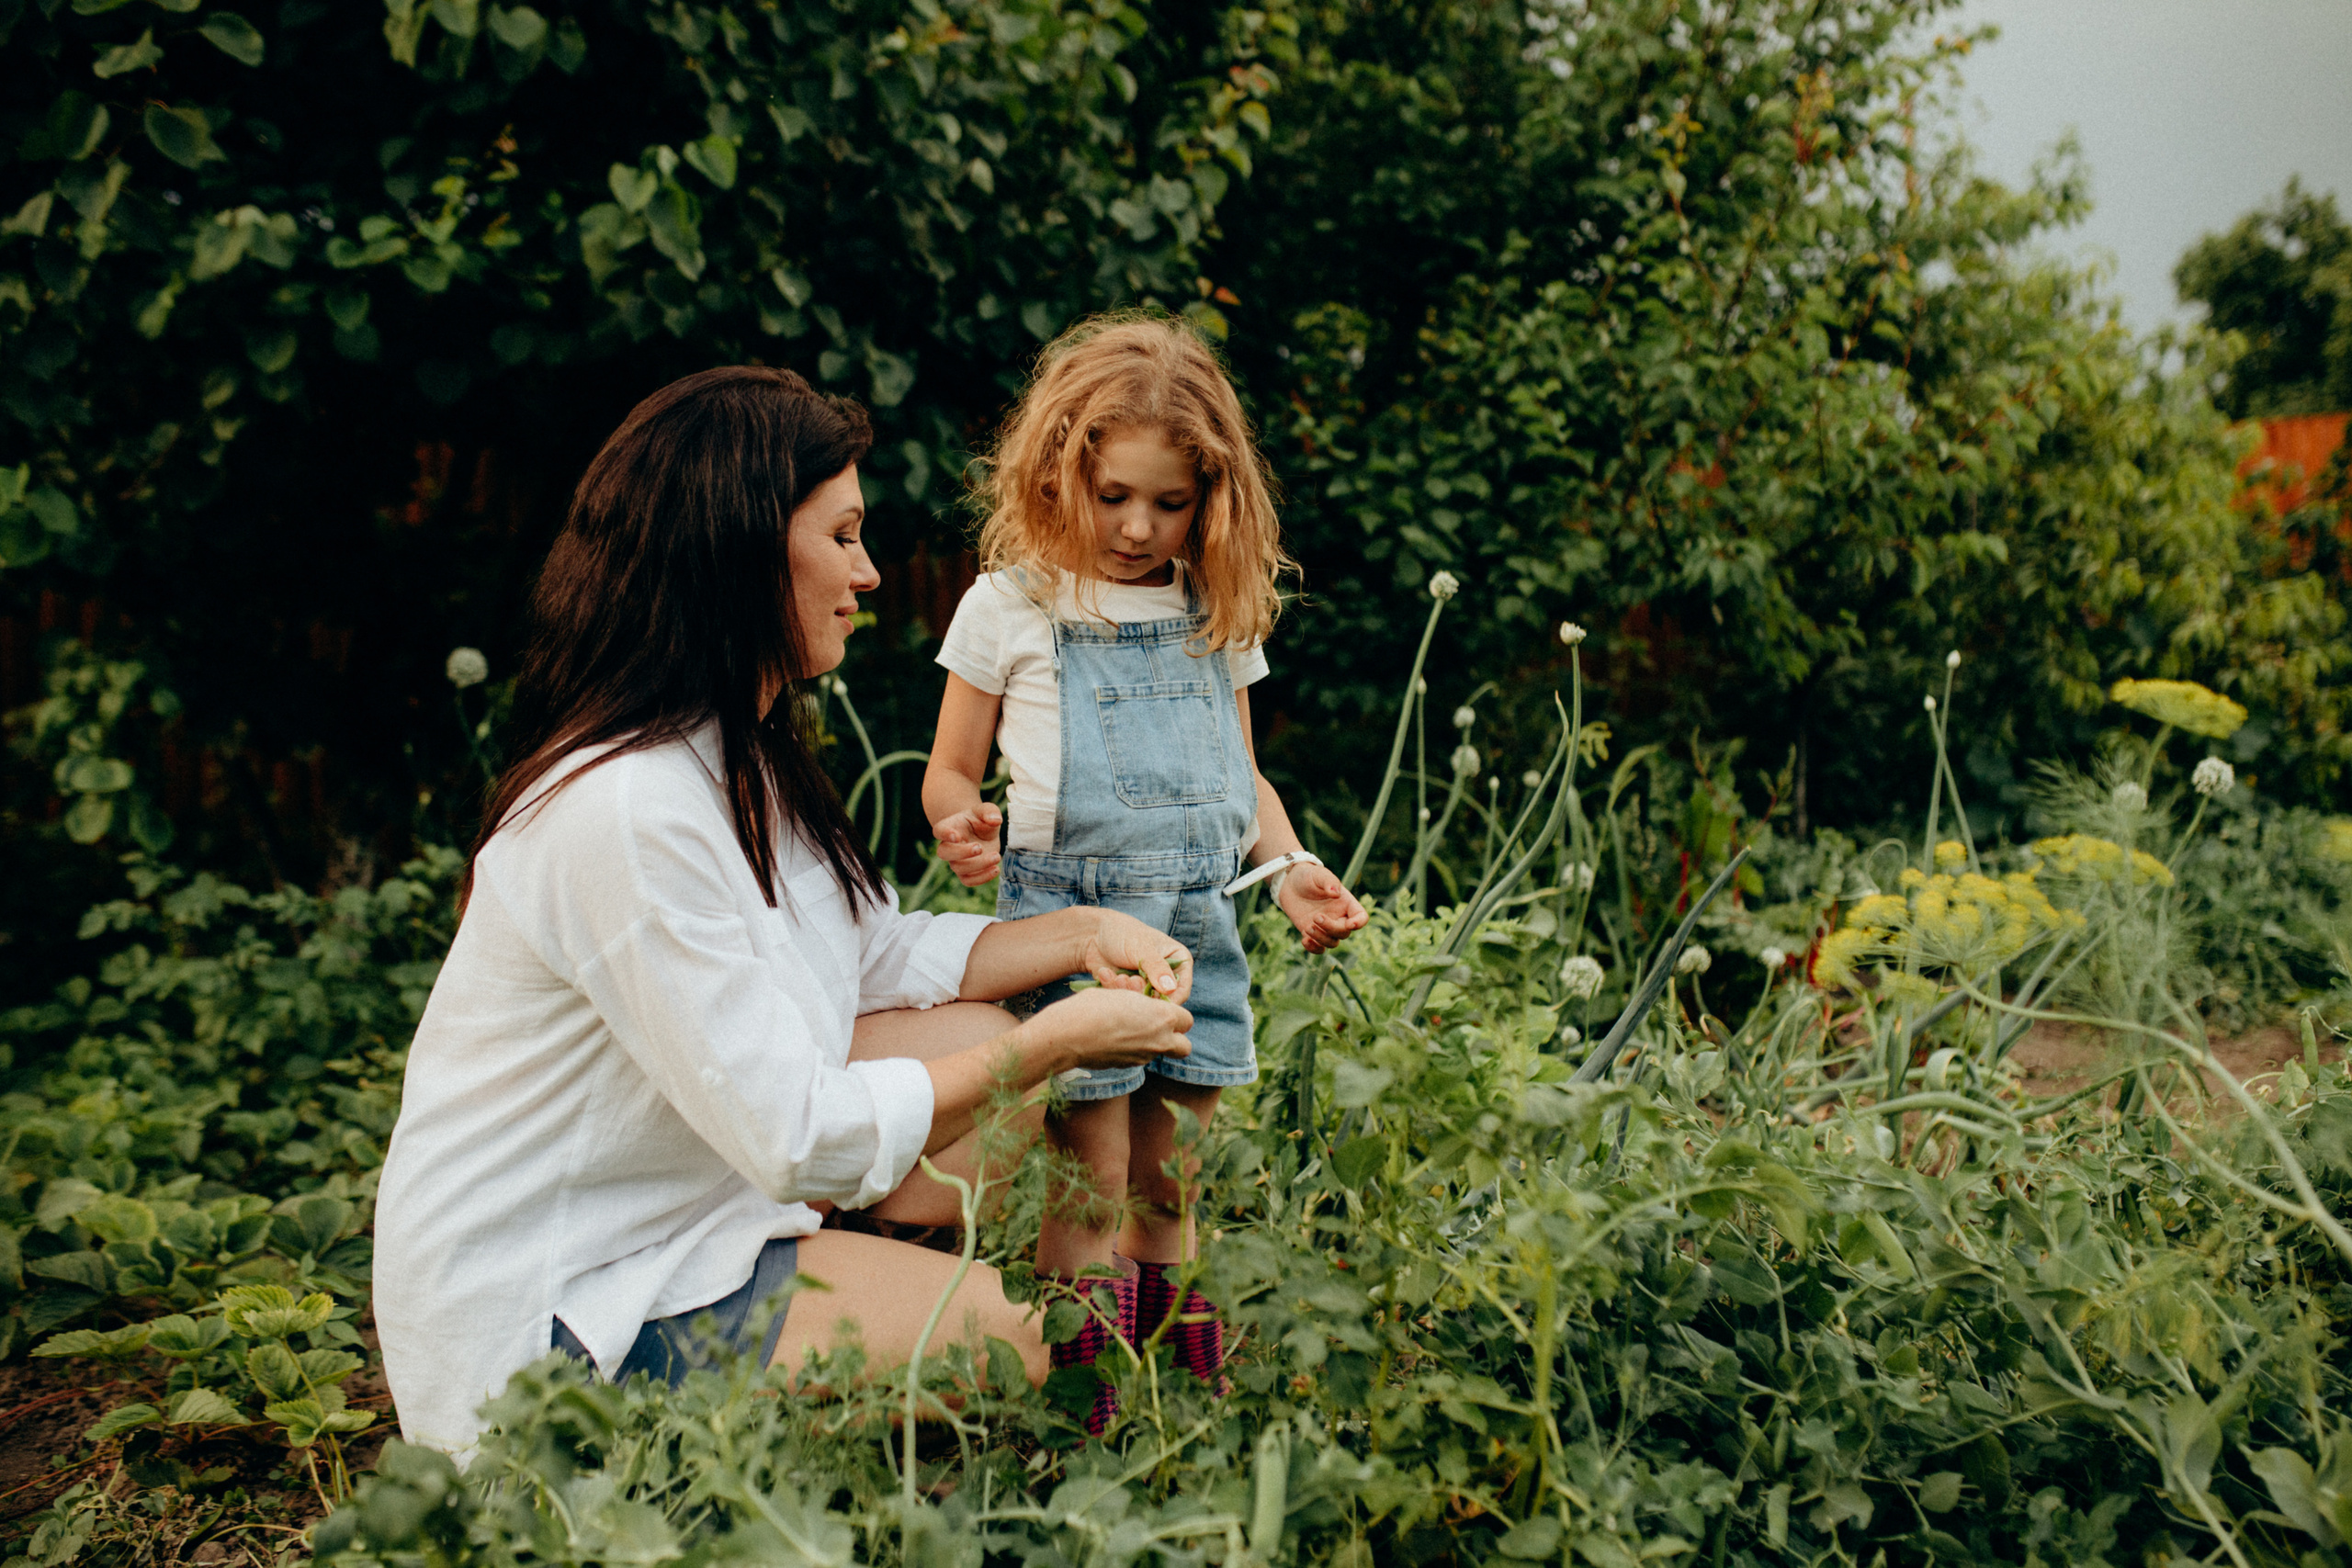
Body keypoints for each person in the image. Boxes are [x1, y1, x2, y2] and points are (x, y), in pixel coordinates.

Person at [373, 366, 1198, 1460]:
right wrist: (1060, 1038)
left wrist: (1083, 936)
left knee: (985, 1059)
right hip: (561, 1317)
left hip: (693, 1214)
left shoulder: (737, 756)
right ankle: (699, 1436)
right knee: (1016, 1340)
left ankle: (838, 1327)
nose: (867, 571)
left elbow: (872, 955)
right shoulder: (627, 809)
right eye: (843, 536)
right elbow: (799, 1136)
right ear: (740, 549)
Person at [922, 314, 1369, 1422]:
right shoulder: (1012, 604)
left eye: (1170, 504)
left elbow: (1242, 781)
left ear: (1212, 498)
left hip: (1197, 930)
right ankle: (1087, 1398)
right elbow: (947, 771)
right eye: (1114, 494)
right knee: (1093, 1176)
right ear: (1059, 468)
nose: (1136, 527)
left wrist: (1292, 864)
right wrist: (957, 822)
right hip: (1074, 929)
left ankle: (1181, 1376)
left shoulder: (1210, 607)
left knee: (1173, 1182)